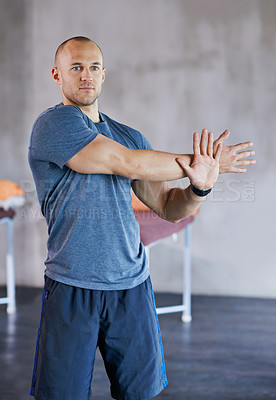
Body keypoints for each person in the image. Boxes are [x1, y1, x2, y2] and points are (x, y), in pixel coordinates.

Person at [28, 36, 255, 400]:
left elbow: (167, 205)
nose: (86, 75)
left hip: (131, 287)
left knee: (139, 394)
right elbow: (123, 162)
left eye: (94, 68)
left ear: (105, 75)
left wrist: (200, 187)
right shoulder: (54, 126)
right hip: (72, 284)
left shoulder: (130, 135)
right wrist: (196, 161)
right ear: (57, 75)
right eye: (76, 67)